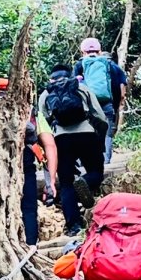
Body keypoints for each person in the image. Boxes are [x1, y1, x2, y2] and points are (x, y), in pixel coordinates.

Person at [0, 77, 57, 246]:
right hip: (23, 155)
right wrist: (51, 182)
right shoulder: (30, 111)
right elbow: (49, 144)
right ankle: (29, 246)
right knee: (28, 205)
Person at [38, 64, 108, 237]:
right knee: (96, 172)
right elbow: (99, 115)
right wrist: (101, 136)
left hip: (61, 139)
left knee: (67, 183)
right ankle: (84, 181)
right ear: (70, 75)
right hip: (86, 134)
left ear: (51, 78)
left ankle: (74, 226)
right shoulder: (81, 88)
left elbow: (43, 123)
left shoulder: (46, 94)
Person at [74, 38, 127, 165]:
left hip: (87, 104)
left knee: (87, 131)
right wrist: (120, 101)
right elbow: (122, 86)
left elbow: (73, 86)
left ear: (83, 52)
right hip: (106, 104)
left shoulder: (80, 65)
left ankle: (86, 163)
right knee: (107, 132)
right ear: (100, 51)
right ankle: (106, 161)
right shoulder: (109, 64)